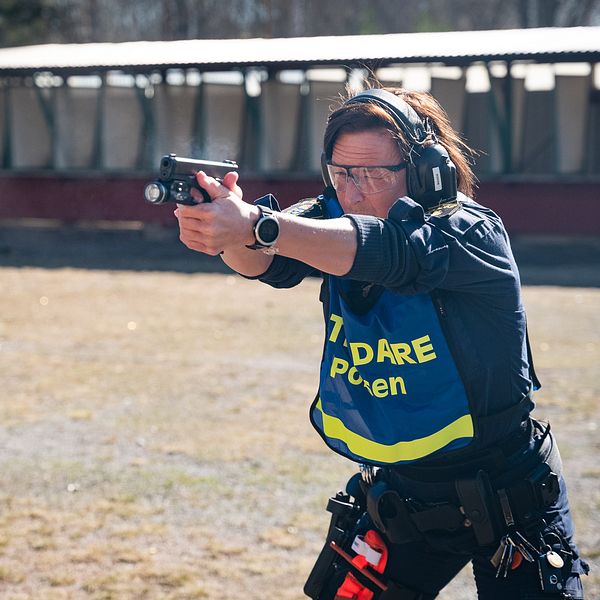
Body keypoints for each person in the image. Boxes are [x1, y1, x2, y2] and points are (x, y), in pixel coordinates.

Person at [175, 86, 588, 599]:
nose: (355, 191)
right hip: (402, 495)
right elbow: (269, 262)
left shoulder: (467, 233)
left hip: (507, 494)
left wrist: (259, 226)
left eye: (375, 174)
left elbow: (390, 253)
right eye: (342, 172)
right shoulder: (330, 218)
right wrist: (227, 229)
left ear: (424, 170)